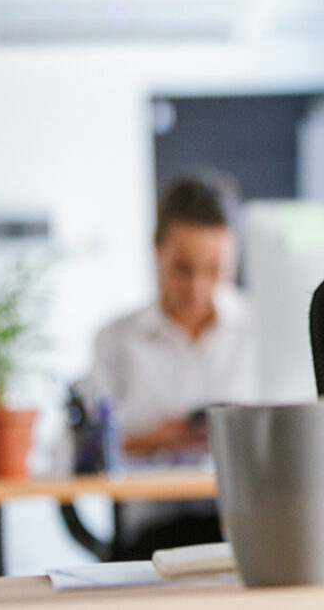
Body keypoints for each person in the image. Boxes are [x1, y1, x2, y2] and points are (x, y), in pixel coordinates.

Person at [84, 171, 256, 556]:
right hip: (153, 536)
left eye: (216, 270)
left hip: (248, 525)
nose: (198, 287)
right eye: (182, 268)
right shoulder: (117, 340)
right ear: (156, 250)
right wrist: (148, 441)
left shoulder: (261, 330)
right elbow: (78, 456)